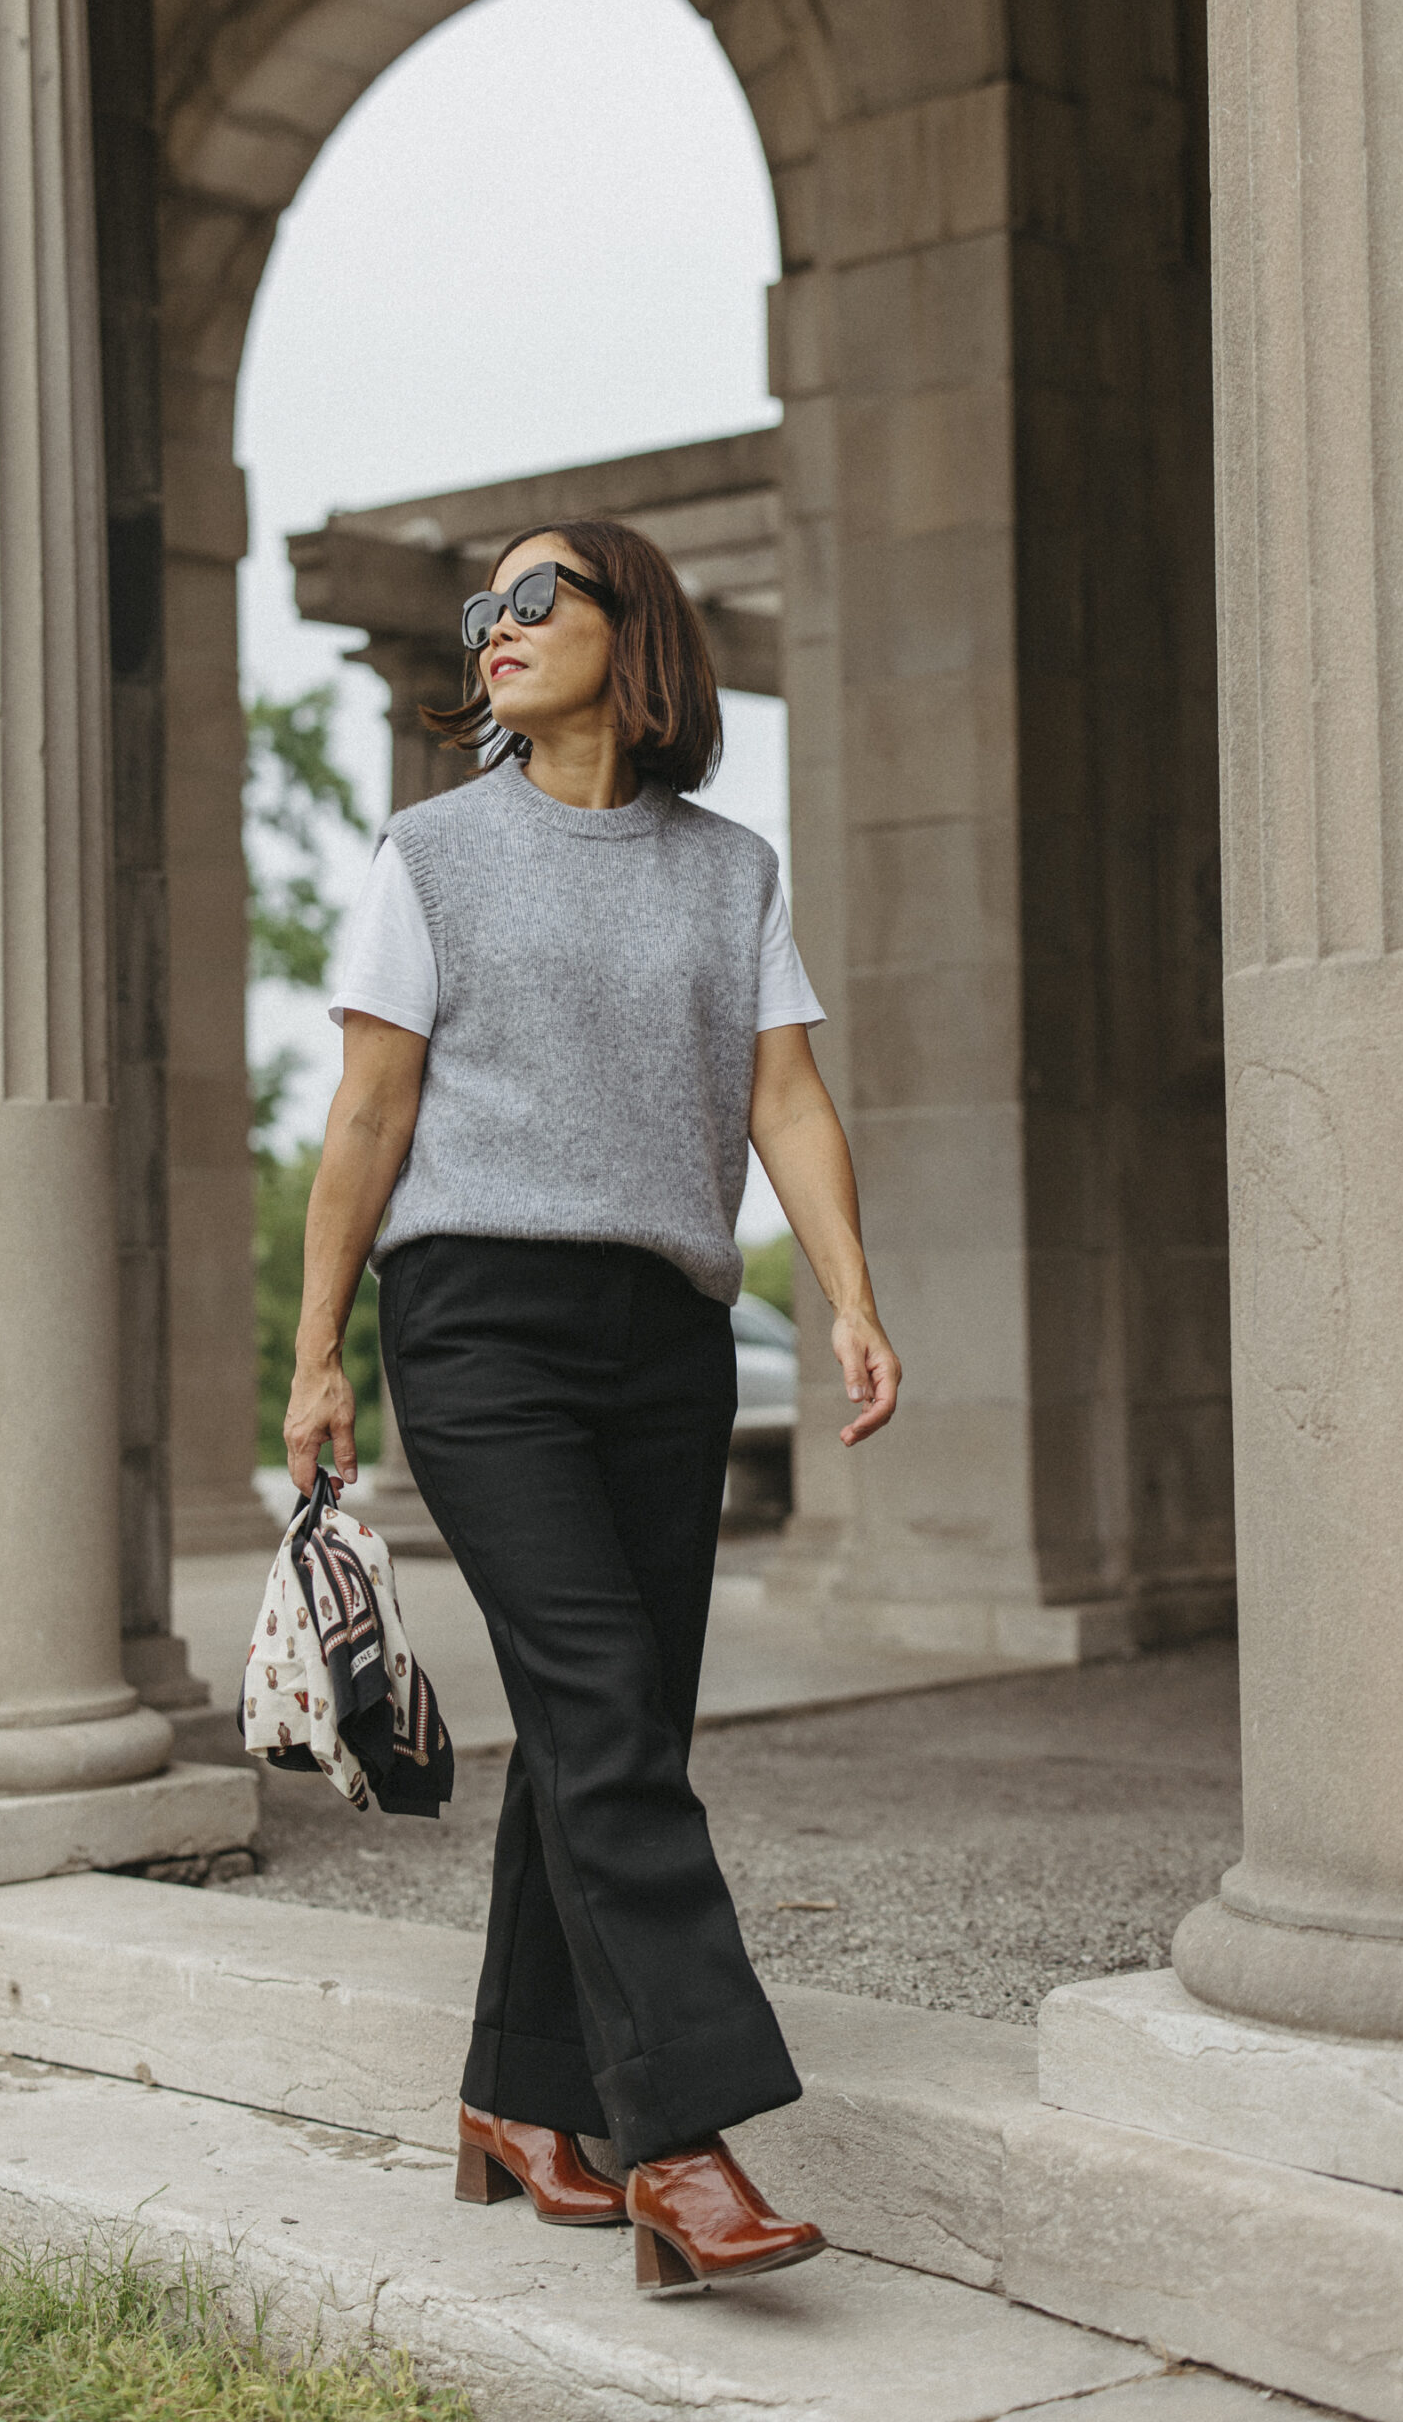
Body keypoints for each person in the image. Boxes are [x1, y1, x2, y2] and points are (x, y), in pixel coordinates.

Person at [284, 518, 901, 2293]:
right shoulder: (433, 851)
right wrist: (322, 1353)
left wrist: (846, 1296)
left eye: (535, 595)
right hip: (479, 1323)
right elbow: (368, 1120)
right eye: (480, 606)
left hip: (669, 1335)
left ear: (638, 635)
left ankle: (517, 2095)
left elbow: (786, 1099)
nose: (494, 626)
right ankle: (680, 2141)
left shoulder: (729, 871)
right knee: (607, 1714)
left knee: (605, 1728)